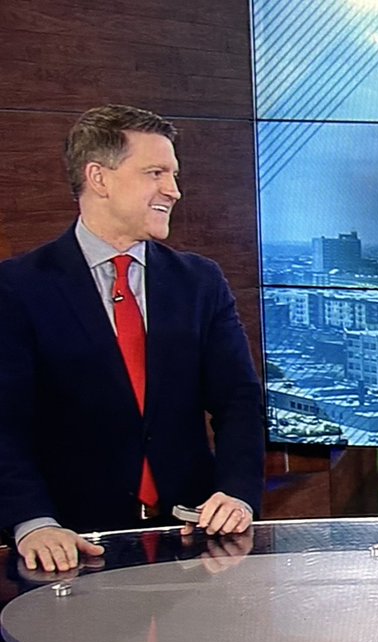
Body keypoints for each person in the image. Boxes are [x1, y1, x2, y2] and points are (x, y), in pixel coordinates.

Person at [0, 104, 265, 572]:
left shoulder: (200, 282)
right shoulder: (18, 288)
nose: (175, 190)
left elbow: (238, 400)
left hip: (192, 544)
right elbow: (4, 424)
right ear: (98, 178)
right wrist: (32, 521)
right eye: (156, 172)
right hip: (72, 548)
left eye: (174, 174)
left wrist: (237, 492)